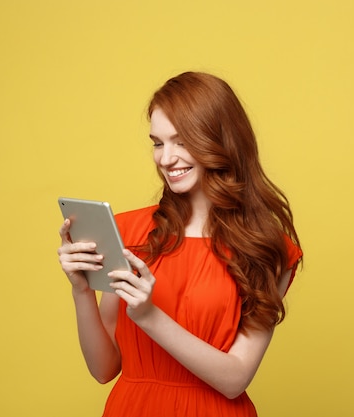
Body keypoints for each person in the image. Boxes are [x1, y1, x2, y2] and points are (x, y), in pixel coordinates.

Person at [57, 71, 303, 416]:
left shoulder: (264, 247)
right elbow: (103, 369)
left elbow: (235, 379)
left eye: (182, 141)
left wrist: (148, 316)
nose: (166, 158)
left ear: (221, 140)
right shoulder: (127, 231)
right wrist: (81, 291)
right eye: (158, 143)